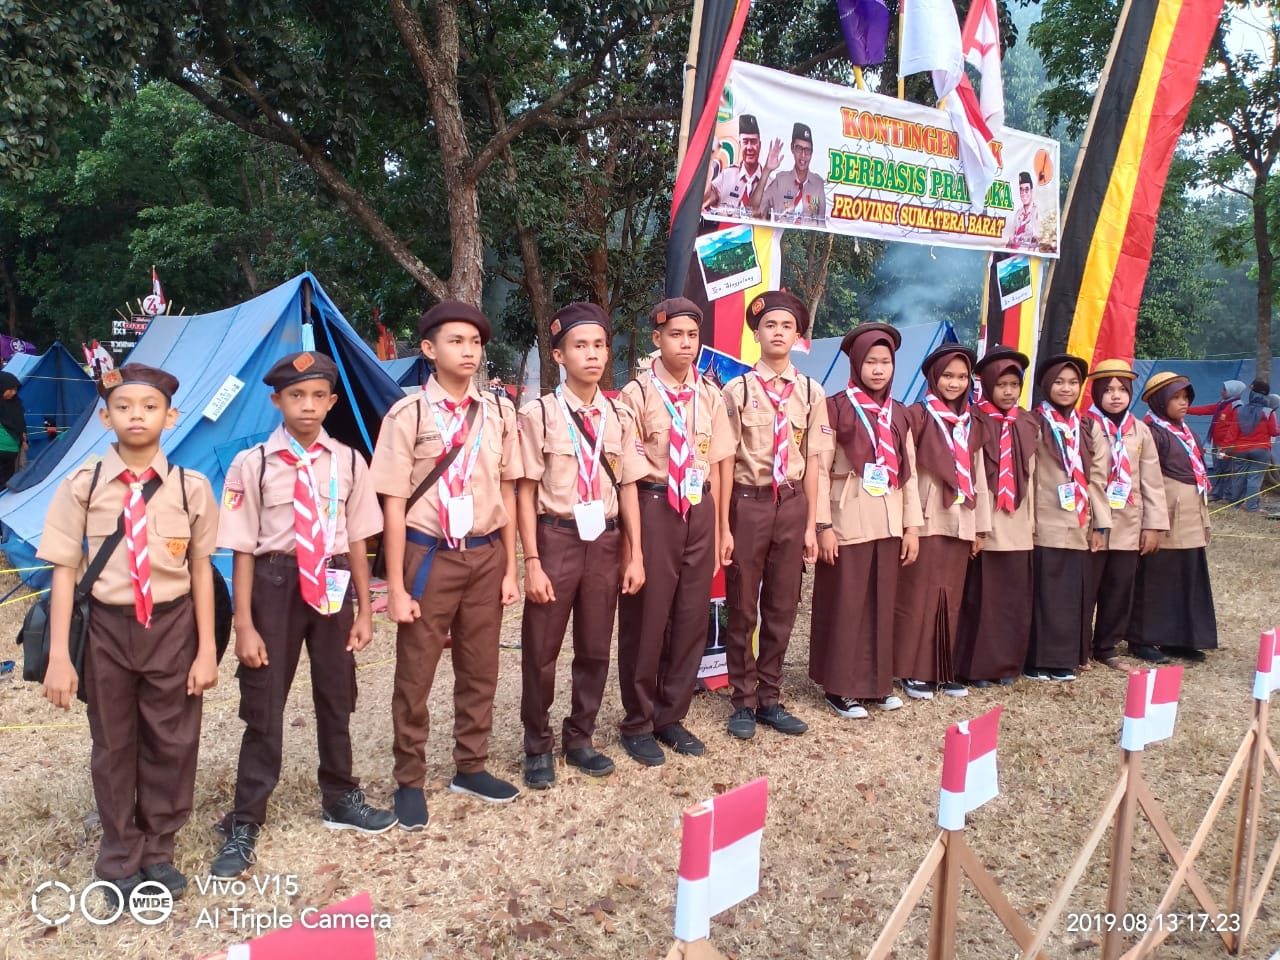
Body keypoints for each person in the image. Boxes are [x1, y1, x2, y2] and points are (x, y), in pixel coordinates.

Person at [210, 352, 395, 879]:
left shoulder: (349, 462)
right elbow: (242, 548)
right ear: (277, 401)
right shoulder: (253, 464)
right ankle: (246, 819)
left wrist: (365, 610)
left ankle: (340, 796)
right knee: (264, 701)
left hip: (333, 582)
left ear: (332, 402)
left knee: (337, 693)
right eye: (296, 395)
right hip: (275, 584)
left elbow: (357, 539)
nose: (307, 405)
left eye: (317, 396)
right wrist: (244, 624)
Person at [38, 363, 218, 906]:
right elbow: (64, 570)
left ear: (171, 416)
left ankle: (158, 849)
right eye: (123, 407)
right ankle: (119, 855)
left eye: (149, 407)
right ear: (104, 417)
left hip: (172, 626)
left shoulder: (190, 488)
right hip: (107, 630)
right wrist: (59, 657)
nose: (136, 416)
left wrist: (207, 649)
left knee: (173, 739)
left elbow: (202, 571)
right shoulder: (83, 485)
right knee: (113, 743)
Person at [371, 301, 523, 825]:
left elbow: (507, 489)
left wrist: (511, 569)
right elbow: (393, 503)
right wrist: (395, 587)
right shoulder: (407, 414)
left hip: (485, 552)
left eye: (475, 342)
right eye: (455, 341)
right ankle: (409, 778)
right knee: (416, 672)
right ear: (429, 350)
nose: (468, 351)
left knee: (481, 667)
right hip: (429, 554)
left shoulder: (499, 412)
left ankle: (471, 765)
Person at [516, 303, 646, 789]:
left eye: (598, 345)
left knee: (594, 647)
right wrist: (532, 561)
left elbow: (628, 486)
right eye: (579, 346)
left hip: (605, 540)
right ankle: (537, 744)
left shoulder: (619, 415)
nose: (591, 354)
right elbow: (524, 492)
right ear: (559, 356)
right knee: (541, 650)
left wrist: (635, 553)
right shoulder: (539, 414)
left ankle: (580, 737)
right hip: (556, 538)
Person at [616, 297, 733, 765]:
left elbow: (719, 464)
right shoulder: (636, 395)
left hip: (699, 507)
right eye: (676, 335)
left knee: (690, 617)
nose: (686, 344)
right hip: (655, 505)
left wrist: (722, 528)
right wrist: (633, 547)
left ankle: (671, 715)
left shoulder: (709, 394)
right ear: (657, 338)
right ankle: (638, 721)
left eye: (693, 336)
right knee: (648, 617)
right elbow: (626, 473)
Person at [718, 290, 830, 740]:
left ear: (798, 335)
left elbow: (814, 461)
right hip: (749, 502)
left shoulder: (811, 391)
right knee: (743, 604)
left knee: (782, 605)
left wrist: (812, 525)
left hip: (792, 502)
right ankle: (742, 700)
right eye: (769, 326)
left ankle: (770, 697)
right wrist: (724, 524)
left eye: (786, 326)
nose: (778, 333)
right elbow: (725, 460)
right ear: (757, 334)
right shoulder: (738, 389)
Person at [810, 322, 920, 718]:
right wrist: (823, 526)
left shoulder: (900, 413)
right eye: (870, 361)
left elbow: (910, 474)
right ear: (856, 363)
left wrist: (912, 527)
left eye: (885, 362)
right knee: (847, 604)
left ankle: (877, 684)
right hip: (847, 519)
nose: (878, 369)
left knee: (881, 603)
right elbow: (818, 470)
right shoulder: (835, 407)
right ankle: (840, 687)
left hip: (889, 521)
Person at [894, 345, 991, 700]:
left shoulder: (971, 422)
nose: (954, 383)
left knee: (950, 598)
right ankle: (910, 669)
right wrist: (910, 523)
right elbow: (906, 473)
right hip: (927, 516)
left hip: (961, 519)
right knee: (916, 596)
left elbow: (979, 475)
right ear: (934, 377)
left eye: (962, 377)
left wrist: (980, 526)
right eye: (948, 375)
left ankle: (940, 670)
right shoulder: (916, 416)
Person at [955, 347, 1038, 687]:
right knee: (981, 598)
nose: (1008, 392)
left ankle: (1006, 663)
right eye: (1001, 384)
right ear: (987, 384)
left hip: (1017, 523)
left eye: (1014, 385)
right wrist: (976, 526)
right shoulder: (974, 420)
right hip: (984, 521)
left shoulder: (1028, 422)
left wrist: (1032, 524)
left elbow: (1034, 476)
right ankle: (975, 667)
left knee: (1011, 598)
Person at [1026, 355, 1111, 681]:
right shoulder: (1034, 422)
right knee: (1043, 594)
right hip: (1043, 520)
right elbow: (1028, 475)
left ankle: (1063, 659)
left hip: (1078, 522)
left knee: (1070, 594)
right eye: (1059, 382)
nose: (1066, 388)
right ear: (1047, 385)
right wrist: (1029, 519)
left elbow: (1098, 479)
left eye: (1073, 382)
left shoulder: (1088, 427)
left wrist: (1100, 524)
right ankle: (1036, 660)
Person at [1083, 359, 1168, 667]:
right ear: (1096, 393)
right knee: (1086, 587)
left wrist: (1153, 525)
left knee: (1119, 588)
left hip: (1129, 522)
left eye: (1122, 389)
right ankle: (1079, 647)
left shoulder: (1140, 430)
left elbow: (1152, 481)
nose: (1116, 396)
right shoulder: (1085, 425)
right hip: (1092, 522)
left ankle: (1106, 647)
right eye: (1108, 390)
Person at [1131, 372, 1218, 659]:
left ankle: (1180, 638)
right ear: (1159, 401)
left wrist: (1204, 520)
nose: (1183, 403)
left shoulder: (1187, 432)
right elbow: (1144, 480)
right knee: (1156, 579)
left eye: (1186, 398)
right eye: (1176, 398)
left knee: (1187, 577)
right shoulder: (1150, 433)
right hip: (1165, 518)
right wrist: (1150, 523)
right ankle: (1143, 639)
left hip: (1190, 516)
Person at [751, 123, 827, 224]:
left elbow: (821, 224)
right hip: (781, 234)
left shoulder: (818, 184)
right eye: (799, 148)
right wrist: (766, 170)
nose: (803, 155)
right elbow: (754, 210)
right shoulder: (781, 181)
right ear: (792, 148)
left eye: (807, 150)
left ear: (812, 152)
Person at [1189, 380, 1244, 503]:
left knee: (1227, 470)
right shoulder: (1222, 404)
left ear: (1232, 391)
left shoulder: (1237, 407)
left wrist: (1225, 447)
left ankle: (1227, 496)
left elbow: (1233, 429)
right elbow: (1205, 409)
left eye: (1224, 390)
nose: (1221, 392)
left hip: (1227, 445)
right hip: (1217, 443)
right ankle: (1217, 494)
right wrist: (1186, 410)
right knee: (1218, 469)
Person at [1229, 379, 1279, 512]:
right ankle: (1252, 506)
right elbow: (1274, 432)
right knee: (1254, 479)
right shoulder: (1268, 412)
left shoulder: (1239, 410)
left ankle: (1235, 505)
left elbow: (1233, 432)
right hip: (1261, 451)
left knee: (1238, 477)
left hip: (1240, 450)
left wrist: (1224, 448)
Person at [704, 114, 766, 213]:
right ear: (740, 144)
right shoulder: (727, 175)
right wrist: (710, 159)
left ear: (760, 145)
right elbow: (706, 200)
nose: (749, 147)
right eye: (745, 142)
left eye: (753, 142)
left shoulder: (769, 183)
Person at [0, 371, 27, 487]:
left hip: (12, 451)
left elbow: (21, 423)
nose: (13, 393)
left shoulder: (16, 403)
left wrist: (24, 440)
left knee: (7, 479)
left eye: (15, 390)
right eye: (10, 390)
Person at [1010, 172, 1041, 250]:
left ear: (1031, 191)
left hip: (1028, 254)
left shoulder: (1037, 212)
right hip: (1014, 253)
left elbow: (1036, 240)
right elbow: (1011, 237)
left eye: (1026, 190)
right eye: (1021, 190)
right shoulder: (1018, 213)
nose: (1024, 193)